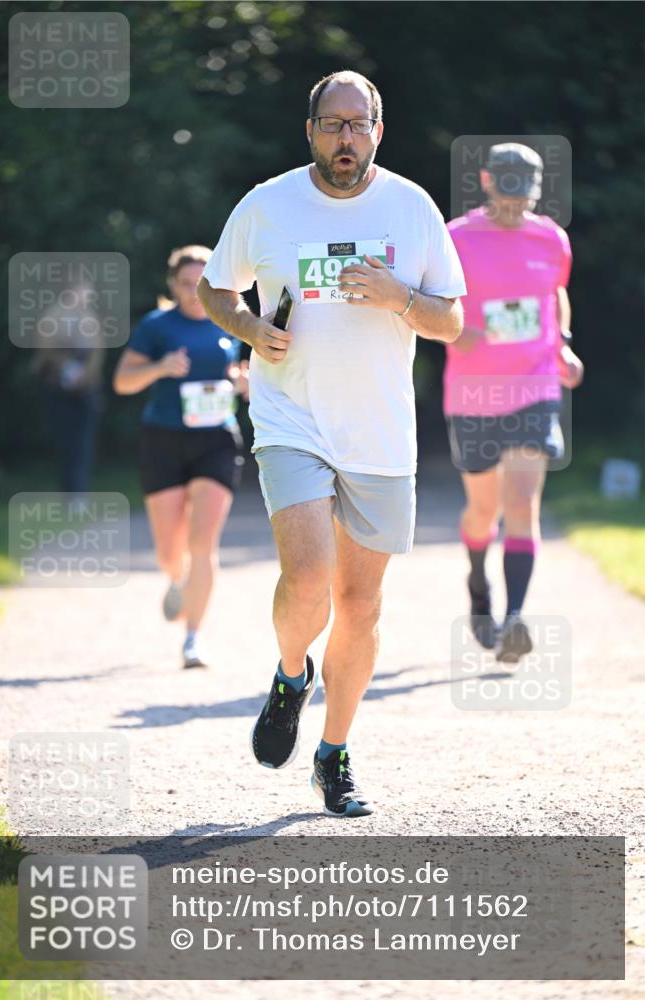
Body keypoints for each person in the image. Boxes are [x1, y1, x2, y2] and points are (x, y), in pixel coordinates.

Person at [199, 71, 465, 817]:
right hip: (292, 417)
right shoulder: (267, 203)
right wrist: (251, 330)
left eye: (358, 124)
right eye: (331, 124)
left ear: (377, 130)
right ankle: (291, 675)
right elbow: (216, 290)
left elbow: (448, 321)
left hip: (379, 431)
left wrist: (399, 299)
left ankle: (333, 753)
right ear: (309, 129)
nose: (344, 138)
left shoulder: (411, 207)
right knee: (310, 575)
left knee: (360, 604)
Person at [444, 143, 584, 661]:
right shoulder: (456, 237)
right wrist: (454, 332)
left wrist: (564, 343)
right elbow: (435, 301)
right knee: (483, 511)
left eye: (523, 195)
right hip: (473, 391)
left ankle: (515, 619)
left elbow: (556, 294)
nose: (514, 205)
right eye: (506, 192)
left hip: (535, 385)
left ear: (536, 189)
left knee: (522, 503)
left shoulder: (551, 239)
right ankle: (479, 584)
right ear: (485, 181)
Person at [113, 246, 248, 669]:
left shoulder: (233, 320)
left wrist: (246, 383)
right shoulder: (157, 326)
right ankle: (175, 578)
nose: (194, 292)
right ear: (173, 286)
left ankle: (192, 638)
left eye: (201, 283)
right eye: (186, 284)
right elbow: (122, 382)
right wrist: (159, 367)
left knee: (203, 544)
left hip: (217, 442)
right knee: (170, 551)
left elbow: (257, 376)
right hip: (164, 441)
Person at [33, 280, 105, 507]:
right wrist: (67, 368)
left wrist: (86, 375)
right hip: (58, 386)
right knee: (66, 440)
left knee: (84, 442)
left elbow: (98, 351)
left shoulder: (90, 317)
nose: (86, 295)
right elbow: (46, 349)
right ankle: (69, 493)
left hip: (87, 388)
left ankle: (79, 493)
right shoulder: (53, 316)